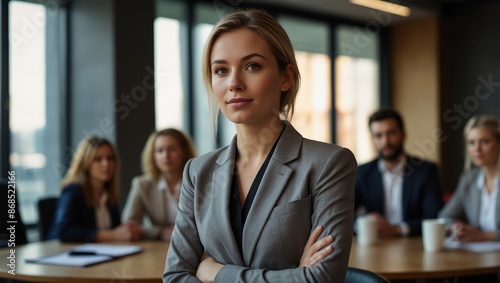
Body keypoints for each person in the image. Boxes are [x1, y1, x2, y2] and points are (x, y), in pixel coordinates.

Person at [163, 8, 357, 283]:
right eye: (221, 70)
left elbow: (321, 280)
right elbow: (174, 277)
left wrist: (216, 273)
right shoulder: (197, 172)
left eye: (252, 66)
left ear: (285, 77)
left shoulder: (329, 163)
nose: (234, 83)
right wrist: (294, 276)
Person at [355, 108, 443, 237]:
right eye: (378, 136)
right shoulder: (363, 172)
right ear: (372, 139)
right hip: (374, 243)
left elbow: (434, 216)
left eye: (391, 133)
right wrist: (363, 226)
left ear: (403, 134)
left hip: (414, 244)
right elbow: (344, 214)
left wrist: (398, 229)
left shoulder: (426, 170)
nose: (385, 141)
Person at [438, 115, 500, 283]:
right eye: (472, 143)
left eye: (485, 141)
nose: (477, 149)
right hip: (479, 262)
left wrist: (485, 236)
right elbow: (444, 216)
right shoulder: (469, 179)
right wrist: (455, 227)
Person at [48, 136, 141, 242]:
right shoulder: (73, 191)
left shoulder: (108, 193)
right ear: (85, 163)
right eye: (98, 159)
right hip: (63, 253)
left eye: (110, 158)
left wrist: (127, 229)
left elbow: (115, 228)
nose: (106, 164)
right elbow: (64, 231)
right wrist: (113, 235)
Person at [122, 128, 196, 240]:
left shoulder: (198, 182)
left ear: (183, 152)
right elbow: (129, 225)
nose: (166, 156)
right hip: (159, 246)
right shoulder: (142, 185)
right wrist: (160, 232)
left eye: (172, 149)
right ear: (153, 155)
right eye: (160, 150)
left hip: (194, 245)